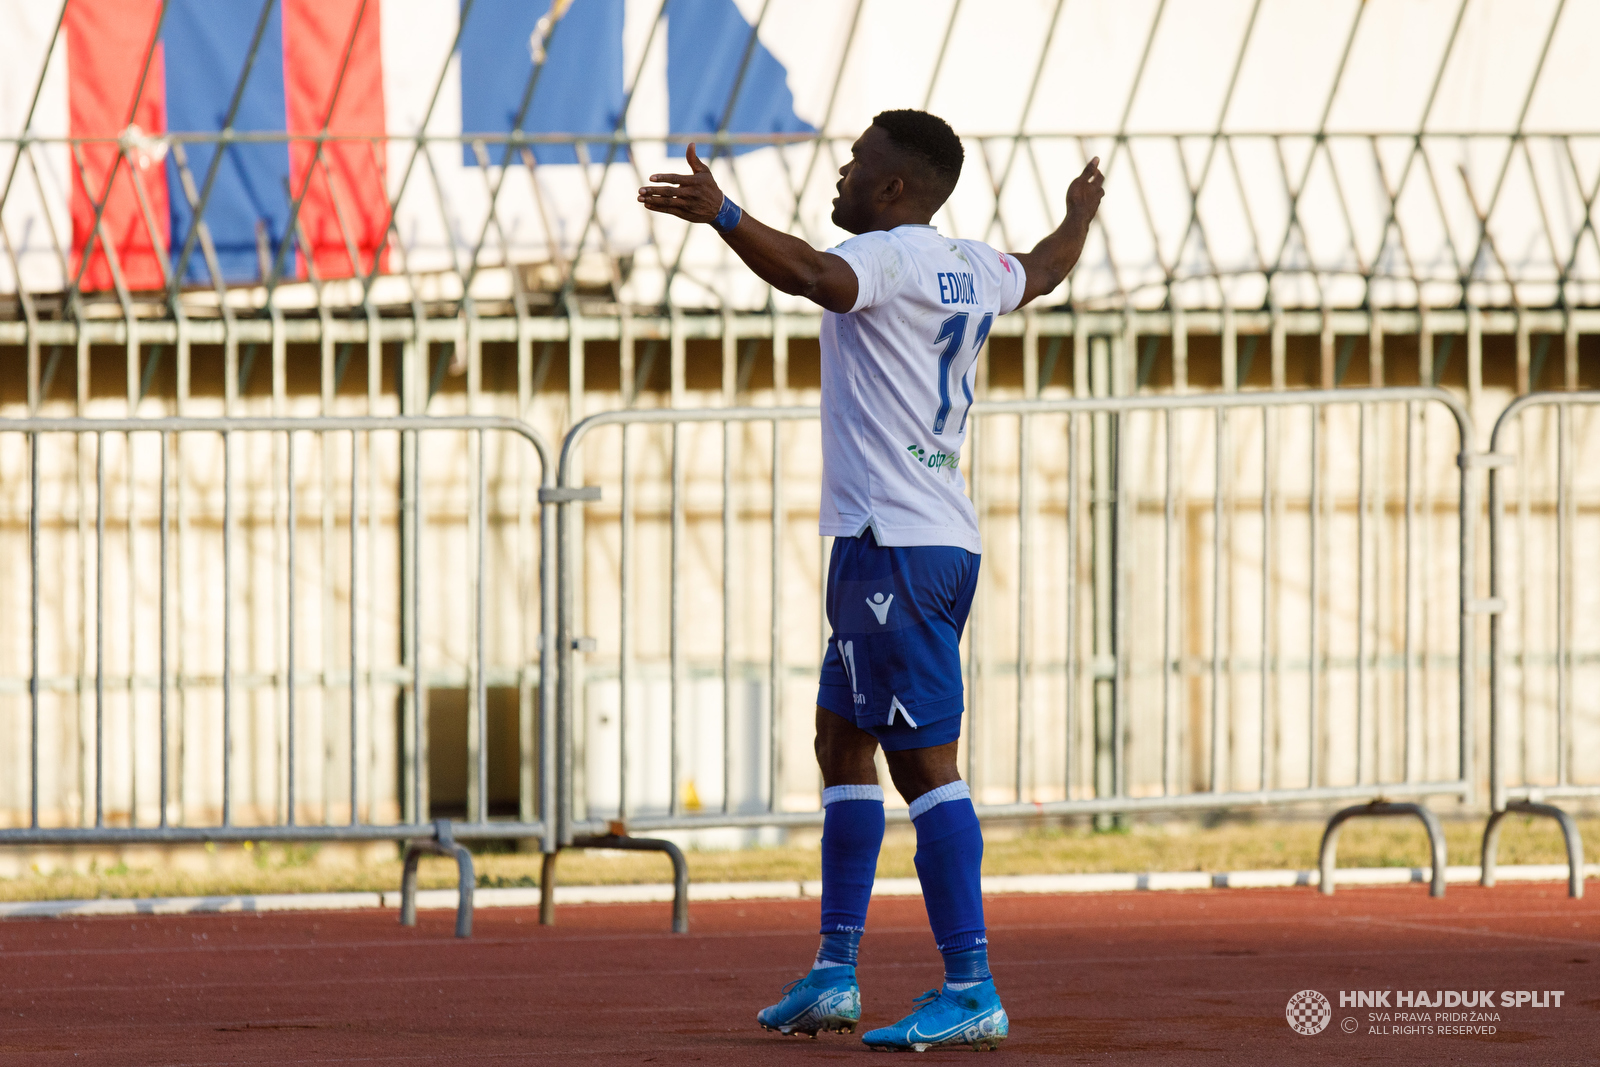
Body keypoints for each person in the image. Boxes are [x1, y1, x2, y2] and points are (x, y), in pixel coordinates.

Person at [638, 109, 1104, 1053]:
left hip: (897, 542)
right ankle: (834, 973)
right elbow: (1047, 268)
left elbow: (816, 274)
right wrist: (1079, 212)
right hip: (895, 539)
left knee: (922, 762)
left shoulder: (887, 257)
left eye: (856, 164)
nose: (841, 175)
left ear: (895, 190)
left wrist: (725, 214)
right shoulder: (975, 266)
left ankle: (971, 982)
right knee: (840, 736)